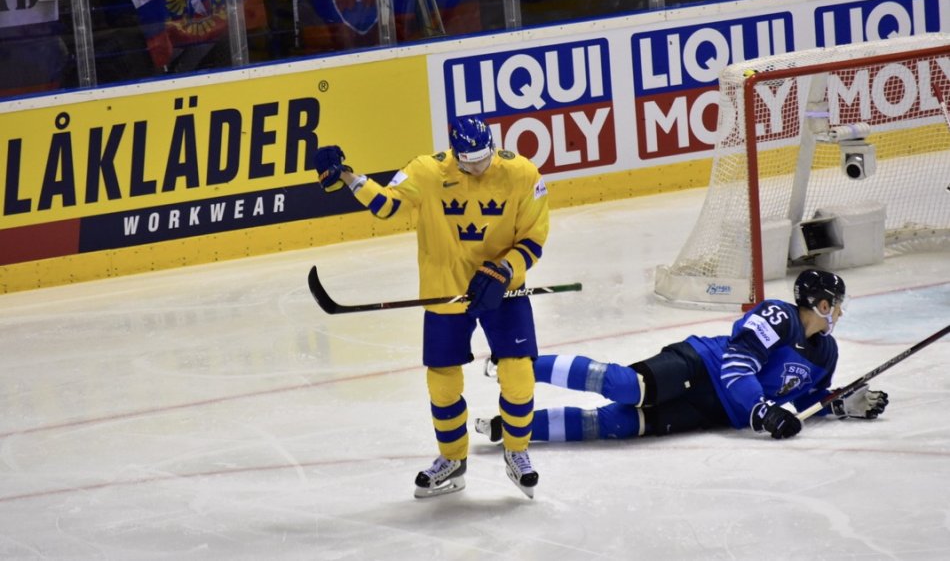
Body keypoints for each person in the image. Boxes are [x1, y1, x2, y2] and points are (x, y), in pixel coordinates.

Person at [314, 115, 550, 498]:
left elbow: (533, 239)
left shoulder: (522, 173)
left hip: (501, 290)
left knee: (519, 374)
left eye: (484, 159)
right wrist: (347, 176)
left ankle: (517, 452)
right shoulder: (425, 171)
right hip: (445, 289)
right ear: (455, 154)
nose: (479, 168)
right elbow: (387, 206)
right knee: (442, 384)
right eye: (470, 162)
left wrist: (506, 268)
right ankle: (453, 460)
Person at [476, 270, 889, 445]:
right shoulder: (779, 316)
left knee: (618, 424)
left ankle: (513, 428)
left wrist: (836, 403)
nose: (840, 312)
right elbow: (737, 365)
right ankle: (518, 365)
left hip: (715, 411)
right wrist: (763, 412)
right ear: (820, 304)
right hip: (701, 365)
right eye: (837, 304)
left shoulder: (827, 353)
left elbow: (803, 400)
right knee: (626, 386)